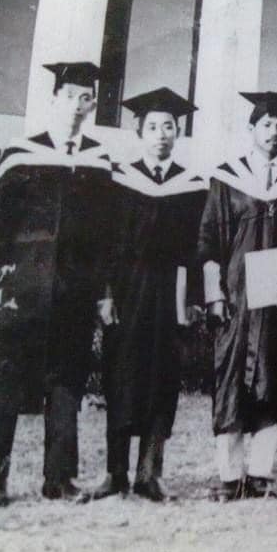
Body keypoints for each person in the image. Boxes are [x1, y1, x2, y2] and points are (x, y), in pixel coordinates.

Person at [0, 62, 116, 508]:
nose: (78, 105)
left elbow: (104, 235)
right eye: (70, 95)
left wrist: (102, 291)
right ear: (55, 99)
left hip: (74, 290)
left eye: (86, 98)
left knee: (67, 383)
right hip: (25, 288)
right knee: (8, 383)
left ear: (92, 105)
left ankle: (59, 478)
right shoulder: (20, 155)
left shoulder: (98, 161)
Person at [198, 91, 277, 501]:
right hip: (236, 299)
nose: (274, 132)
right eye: (267, 125)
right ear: (251, 129)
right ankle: (229, 476)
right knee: (231, 384)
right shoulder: (227, 178)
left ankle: (260, 474)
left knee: (272, 382)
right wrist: (215, 295)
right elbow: (208, 239)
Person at [81, 88, 207, 503]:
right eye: (152, 127)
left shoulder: (192, 186)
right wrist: (105, 295)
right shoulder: (118, 181)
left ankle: (149, 474)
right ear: (140, 132)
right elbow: (104, 244)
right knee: (120, 377)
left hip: (170, 292)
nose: (161, 134)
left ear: (177, 132)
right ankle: (115, 473)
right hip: (128, 289)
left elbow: (198, 248)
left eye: (168, 127)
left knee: (163, 378)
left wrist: (193, 300)